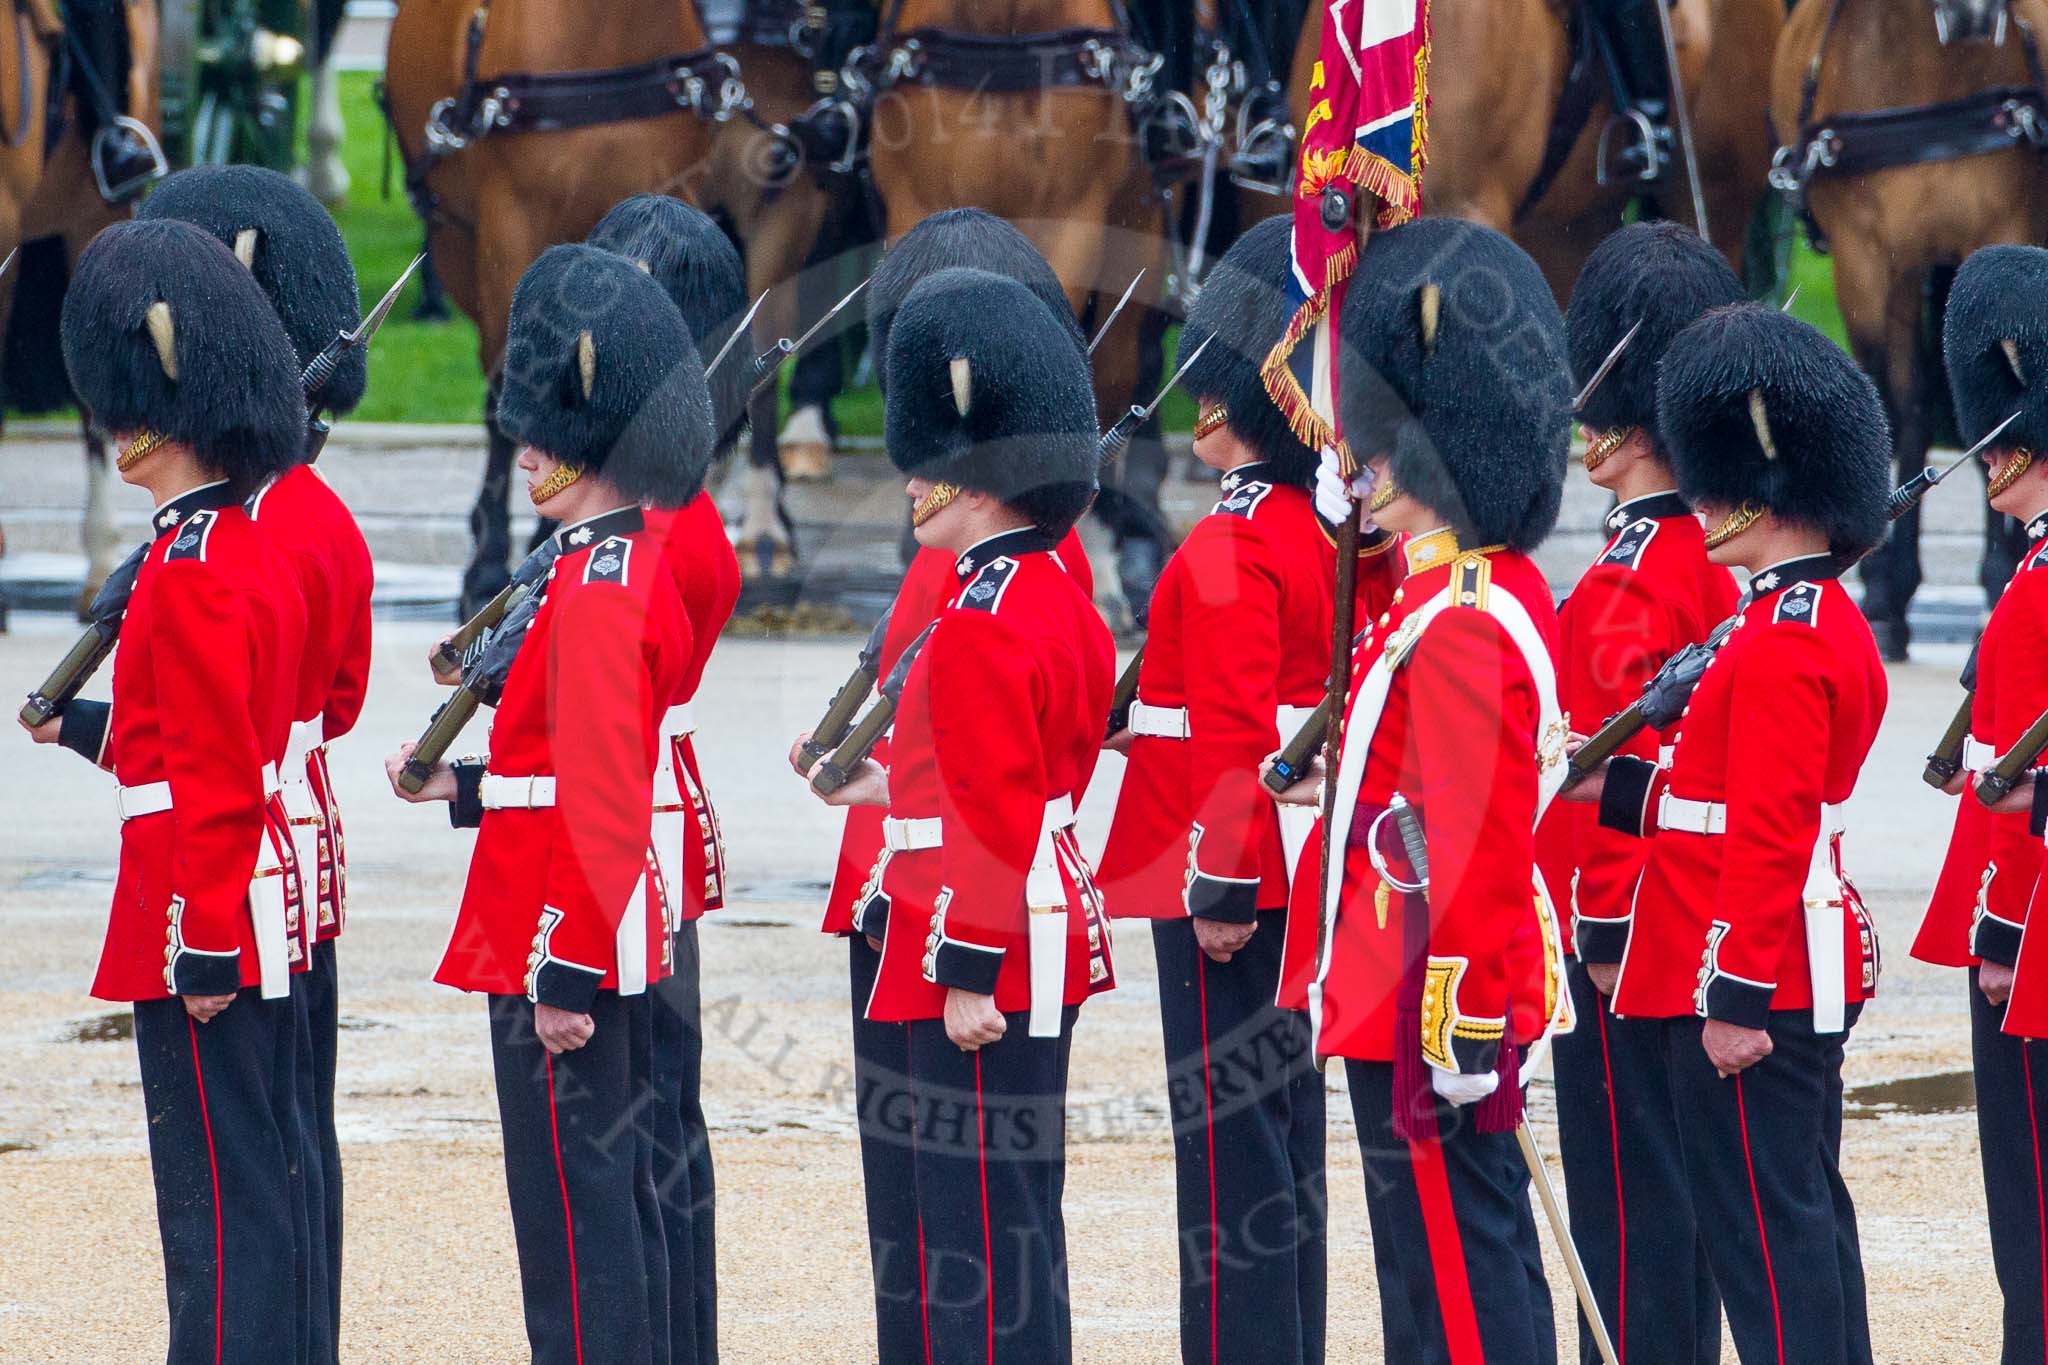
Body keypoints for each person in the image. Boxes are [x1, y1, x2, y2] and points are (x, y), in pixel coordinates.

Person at [385, 244, 715, 1365]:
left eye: (545, 434)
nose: (525, 453)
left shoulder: (599, 585)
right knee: (597, 1212)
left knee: (580, 1230)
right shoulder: (596, 569)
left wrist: (566, 966)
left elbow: (605, 793)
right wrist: (461, 785)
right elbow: (562, 763)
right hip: (556, 903)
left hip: (559, 928)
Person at [1268, 216, 1576, 1363]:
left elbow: (1475, 840)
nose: (1367, 462)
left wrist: (1464, 1021)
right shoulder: (1441, 591)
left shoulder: (1462, 621)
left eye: (1390, 445)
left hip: (1427, 988)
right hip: (1390, 971)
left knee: (1457, 1270)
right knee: (1426, 1266)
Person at [797, 205, 1094, 1365]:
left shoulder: (976, 616)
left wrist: (967, 966)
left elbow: (992, 803)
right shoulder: (1049, 591)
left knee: (968, 1234)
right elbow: (1017, 768)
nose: (909, 479)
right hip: (1034, 906)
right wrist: (883, 785)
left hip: (978, 932)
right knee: (1008, 1219)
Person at [1096, 213, 1393, 1365]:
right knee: (1278, 1141)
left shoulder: (1230, 542)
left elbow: (1226, 733)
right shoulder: (1328, 535)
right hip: (1295, 866)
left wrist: (1219, 886)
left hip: (1226, 877)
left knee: (1228, 1167)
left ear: (1230, 400)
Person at [1570, 302, 1889, 1365]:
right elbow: (1714, 793)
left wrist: (1735, 998)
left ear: (1768, 489)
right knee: (1794, 1219)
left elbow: (1767, 829)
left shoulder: (1780, 641)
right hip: (1776, 949)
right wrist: (1610, 787)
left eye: (1719, 480)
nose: (1701, 500)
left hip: (1760, 968)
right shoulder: (1781, 622)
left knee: (1767, 1242)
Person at [25, 218, 315, 1362]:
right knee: (249, 1182)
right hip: (233, 884)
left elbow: (212, 774)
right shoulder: (230, 547)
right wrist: (78, 728)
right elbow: (188, 734)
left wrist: (204, 942)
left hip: (201, 899)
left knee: (215, 1208)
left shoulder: (189, 569)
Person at [138, 164, 373, 1359]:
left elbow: (222, 739)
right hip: (292, 844)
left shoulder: (232, 538)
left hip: (224, 870)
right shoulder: (306, 512)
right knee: (283, 1155)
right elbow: (331, 704)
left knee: (229, 1196)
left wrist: (208, 926)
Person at [1536, 220, 1740, 1365]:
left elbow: (1618, 774)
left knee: (1626, 1214)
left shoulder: (1631, 575)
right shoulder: (1707, 554)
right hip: (1687, 918)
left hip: (1622, 936)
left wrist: (1603, 929)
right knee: (1671, 1200)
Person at [586, 192, 748, 1364]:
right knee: (655, 1114)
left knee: (635, 1121)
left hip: (628, 818)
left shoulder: (658, 525)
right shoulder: (654, 502)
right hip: (652, 809)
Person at [1921, 245, 2048, 1364]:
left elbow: (2014, 796)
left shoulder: (2039, 589)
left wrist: (2001, 941)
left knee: (2034, 1217)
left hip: (2031, 947)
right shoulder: (2030, 570)